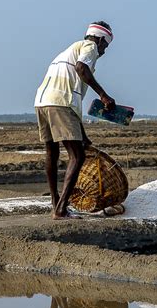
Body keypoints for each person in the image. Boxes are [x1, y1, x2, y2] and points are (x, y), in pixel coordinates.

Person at [34, 21, 116, 219]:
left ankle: (56, 204)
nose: (104, 50)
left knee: (52, 153)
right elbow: (81, 69)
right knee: (77, 156)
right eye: (106, 45)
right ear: (100, 38)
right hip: (61, 102)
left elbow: (73, 100)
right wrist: (104, 96)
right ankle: (61, 209)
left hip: (43, 102)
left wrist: (82, 134)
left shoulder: (66, 52)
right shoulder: (90, 47)